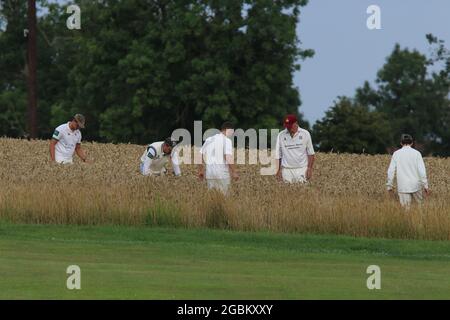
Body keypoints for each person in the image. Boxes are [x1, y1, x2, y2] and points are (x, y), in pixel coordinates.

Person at [386, 134, 430, 208]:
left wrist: (389, 186)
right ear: (412, 143)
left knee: (406, 211)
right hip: (416, 185)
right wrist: (425, 185)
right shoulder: (417, 154)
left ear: (401, 143)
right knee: (420, 209)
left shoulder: (396, 154)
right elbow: (422, 171)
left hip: (403, 186)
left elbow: (390, 171)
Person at [198, 121, 238, 195]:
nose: (231, 134)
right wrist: (234, 171)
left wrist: (200, 170)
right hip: (222, 174)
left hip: (210, 174)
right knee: (224, 197)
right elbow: (228, 156)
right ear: (228, 130)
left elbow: (200, 155)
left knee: (212, 197)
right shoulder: (227, 140)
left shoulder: (209, 139)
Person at [274, 114, 315, 183]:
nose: (288, 128)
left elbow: (311, 153)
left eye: (290, 126)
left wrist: (309, 168)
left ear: (296, 123)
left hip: (302, 169)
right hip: (286, 170)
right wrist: (278, 170)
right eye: (287, 126)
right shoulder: (280, 135)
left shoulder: (305, 134)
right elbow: (278, 155)